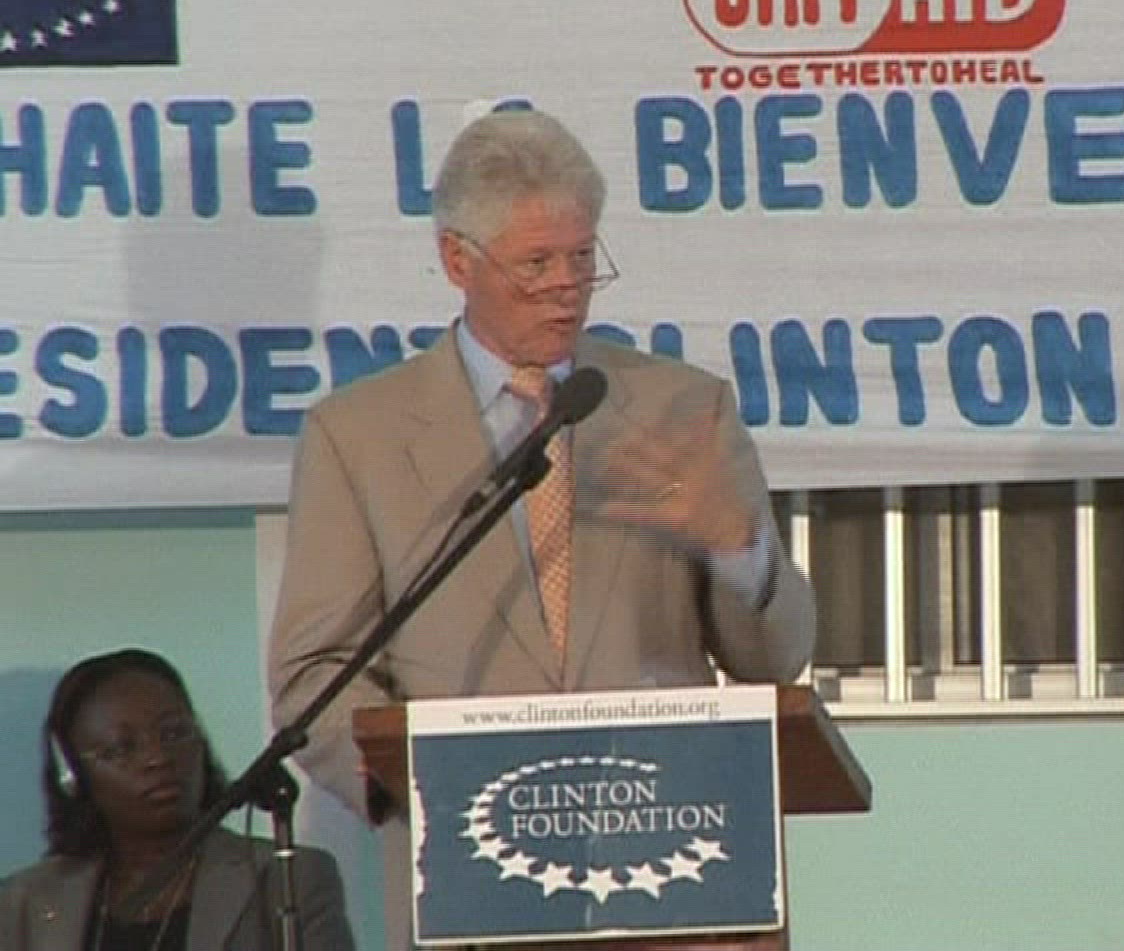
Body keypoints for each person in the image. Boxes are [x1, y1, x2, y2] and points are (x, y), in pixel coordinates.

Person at [267, 107, 816, 944]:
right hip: (471, 880)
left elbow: (775, 659)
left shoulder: (682, 410)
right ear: (458, 260)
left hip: (673, 879)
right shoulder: (358, 437)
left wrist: (738, 548)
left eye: (582, 257)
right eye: (536, 263)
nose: (567, 284)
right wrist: (426, 785)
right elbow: (314, 672)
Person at [0, 648, 355, 950]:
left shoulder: (286, 879)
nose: (157, 758)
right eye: (122, 748)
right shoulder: (23, 904)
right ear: (74, 777)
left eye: (174, 734)